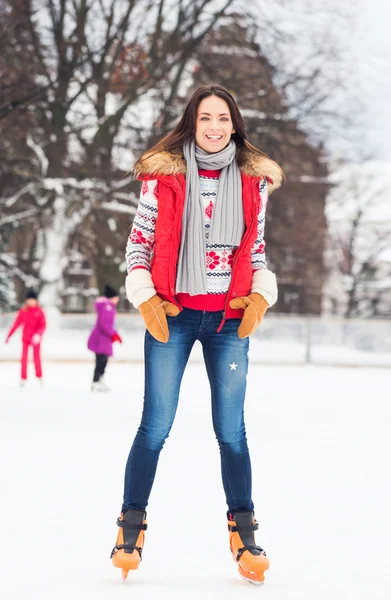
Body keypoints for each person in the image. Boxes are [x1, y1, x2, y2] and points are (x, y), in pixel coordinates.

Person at [111, 85, 283, 585]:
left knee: (232, 432)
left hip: (228, 320)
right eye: (205, 117)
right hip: (174, 314)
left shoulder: (254, 184)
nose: (214, 126)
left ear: (235, 125)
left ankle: (244, 531)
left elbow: (255, 253)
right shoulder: (164, 178)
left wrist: (259, 297)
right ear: (193, 122)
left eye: (223, 119)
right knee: (155, 426)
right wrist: (145, 296)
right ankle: (131, 524)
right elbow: (139, 243)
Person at [5, 289, 46, 386]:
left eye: (33, 299)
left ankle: (39, 376)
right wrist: (9, 335)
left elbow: (43, 325)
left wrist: (38, 334)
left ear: (36, 301)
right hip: (26, 338)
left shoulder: (39, 312)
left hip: (36, 339)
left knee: (36, 358)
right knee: (24, 358)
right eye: (29, 299)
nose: (31, 301)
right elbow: (16, 324)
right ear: (26, 300)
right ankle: (23, 378)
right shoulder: (23, 311)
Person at [87, 284, 122, 392]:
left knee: (103, 361)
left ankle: (99, 380)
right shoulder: (107, 307)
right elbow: (104, 324)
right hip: (102, 339)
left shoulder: (108, 306)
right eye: (116, 297)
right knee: (101, 361)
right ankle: (96, 381)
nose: (118, 300)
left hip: (103, 339)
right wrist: (114, 334)